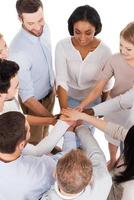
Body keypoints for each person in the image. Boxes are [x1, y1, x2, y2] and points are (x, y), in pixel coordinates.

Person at [77, 22, 134, 169]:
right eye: (120, 45)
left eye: (128, 48)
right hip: (113, 104)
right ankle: (113, 159)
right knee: (111, 136)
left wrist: (92, 112)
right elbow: (98, 89)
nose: (123, 51)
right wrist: (82, 106)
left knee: (127, 140)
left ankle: (124, 162)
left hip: (130, 111)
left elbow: (126, 100)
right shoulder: (114, 60)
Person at [0, 58, 72, 156]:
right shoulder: (5, 130)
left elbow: (18, 117)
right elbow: (36, 151)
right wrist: (63, 124)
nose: (19, 88)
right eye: (16, 86)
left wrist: (51, 120)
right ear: (1, 93)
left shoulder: (8, 100)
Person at [0, 111, 76, 200]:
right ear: (21, 145)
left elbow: (37, 151)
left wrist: (60, 123)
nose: (30, 131)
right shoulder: (40, 170)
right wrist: (70, 131)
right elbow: (66, 160)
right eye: (29, 130)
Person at [61, 108, 134, 200]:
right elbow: (118, 131)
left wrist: (76, 127)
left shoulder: (104, 181)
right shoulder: (103, 178)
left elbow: (97, 156)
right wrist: (81, 122)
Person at [9, 0, 55, 144]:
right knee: (34, 142)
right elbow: (28, 98)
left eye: (40, 20)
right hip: (34, 104)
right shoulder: (18, 52)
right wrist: (53, 119)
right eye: (30, 23)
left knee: (45, 134)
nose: (37, 27)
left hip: (50, 93)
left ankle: (47, 148)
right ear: (20, 19)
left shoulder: (45, 28)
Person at [55, 5, 112, 112]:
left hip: (92, 101)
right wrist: (65, 112)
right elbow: (61, 80)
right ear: (72, 28)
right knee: (67, 128)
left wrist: (102, 109)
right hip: (68, 98)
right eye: (77, 32)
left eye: (88, 33)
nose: (82, 39)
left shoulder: (105, 52)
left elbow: (106, 86)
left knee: (83, 129)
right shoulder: (62, 46)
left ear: (96, 29)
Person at [41, 114, 112, 200]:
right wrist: (79, 127)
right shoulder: (103, 181)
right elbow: (96, 153)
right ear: (90, 179)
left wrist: (69, 130)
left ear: (54, 173)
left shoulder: (46, 197)